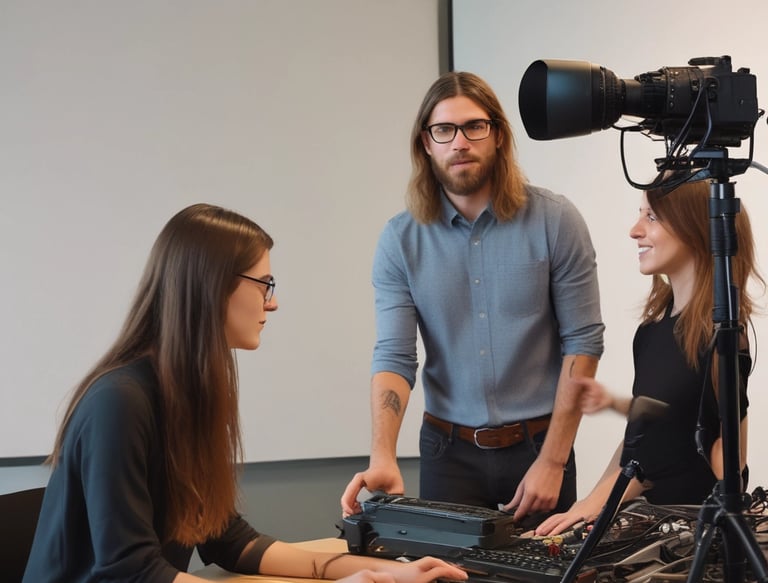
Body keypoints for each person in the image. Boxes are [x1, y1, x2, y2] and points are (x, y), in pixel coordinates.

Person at [23, 204, 468, 583]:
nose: (272, 303)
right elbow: (132, 571)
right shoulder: (118, 402)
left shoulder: (186, 395)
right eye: (264, 284)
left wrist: (383, 571)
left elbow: (231, 541)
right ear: (212, 286)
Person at [341, 71, 604, 523]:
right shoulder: (400, 241)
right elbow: (395, 356)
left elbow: (583, 341)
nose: (459, 142)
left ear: (498, 135)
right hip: (449, 456)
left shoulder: (555, 220)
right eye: (443, 130)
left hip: (541, 448)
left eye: (474, 127)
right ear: (426, 143)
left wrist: (553, 461)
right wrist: (382, 455)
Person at [535, 177, 764, 536]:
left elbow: (716, 459)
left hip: (694, 540)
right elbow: (640, 439)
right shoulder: (650, 333)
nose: (635, 230)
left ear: (696, 227)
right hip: (653, 526)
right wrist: (586, 506)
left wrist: (597, 506)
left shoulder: (724, 338)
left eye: (652, 217)